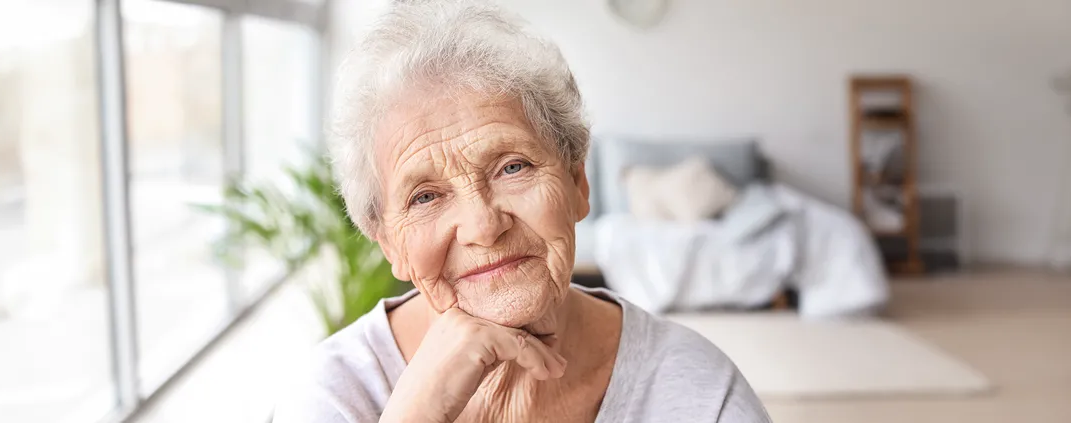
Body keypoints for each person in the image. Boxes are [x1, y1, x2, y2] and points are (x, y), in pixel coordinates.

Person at [274, 1, 770, 422]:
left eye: (512, 167)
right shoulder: (331, 395)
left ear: (578, 182)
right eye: (425, 196)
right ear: (389, 245)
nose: (484, 226)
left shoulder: (700, 393)